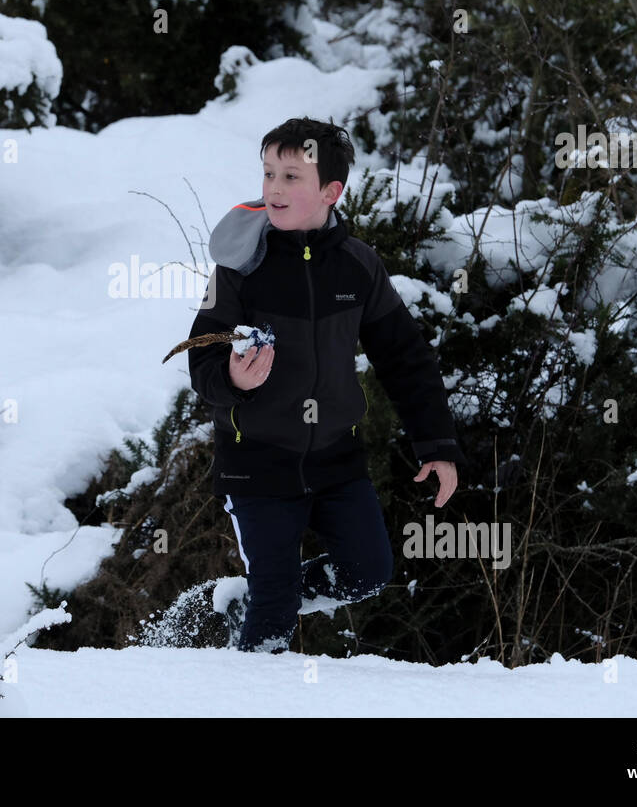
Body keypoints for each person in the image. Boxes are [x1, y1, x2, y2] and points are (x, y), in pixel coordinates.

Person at [187, 116, 469, 653]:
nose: (273, 188)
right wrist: (230, 377)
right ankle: (248, 692)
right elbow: (200, 361)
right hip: (257, 462)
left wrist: (436, 446)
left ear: (330, 191)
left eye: (292, 176)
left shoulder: (358, 267)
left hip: (337, 459)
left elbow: (405, 359)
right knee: (274, 604)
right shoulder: (239, 269)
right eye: (269, 172)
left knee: (367, 572)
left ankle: (245, 602)